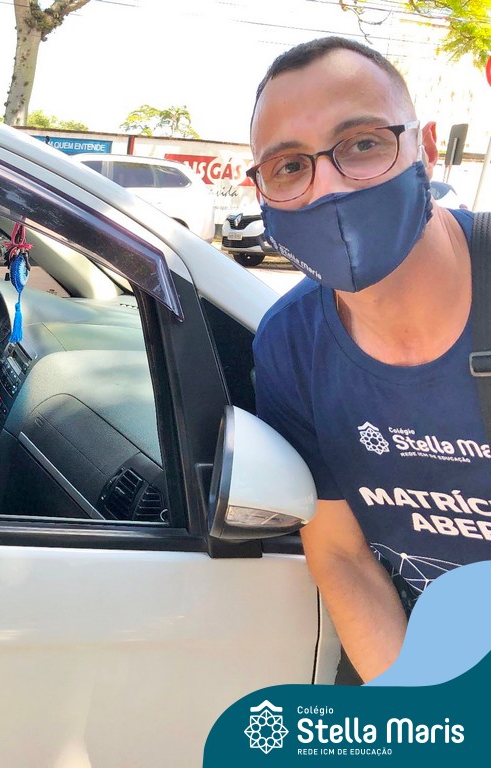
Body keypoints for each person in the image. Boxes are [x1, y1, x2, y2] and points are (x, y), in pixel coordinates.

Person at [249, 37, 488, 682]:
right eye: (289, 167)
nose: (327, 187)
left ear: (425, 147)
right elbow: (341, 553)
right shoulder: (289, 345)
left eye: (361, 144)